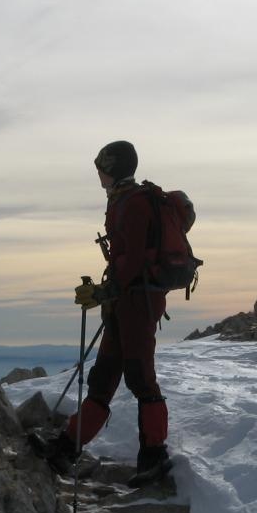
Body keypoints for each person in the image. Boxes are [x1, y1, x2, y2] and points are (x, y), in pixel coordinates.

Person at [39, 140, 172, 487]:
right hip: (128, 303)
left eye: (101, 167)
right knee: (104, 376)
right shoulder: (126, 201)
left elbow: (132, 261)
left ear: (111, 168)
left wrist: (102, 292)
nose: (98, 173)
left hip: (136, 303)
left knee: (140, 376)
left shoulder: (131, 205)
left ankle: (155, 456)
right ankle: (68, 446)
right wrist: (107, 293)